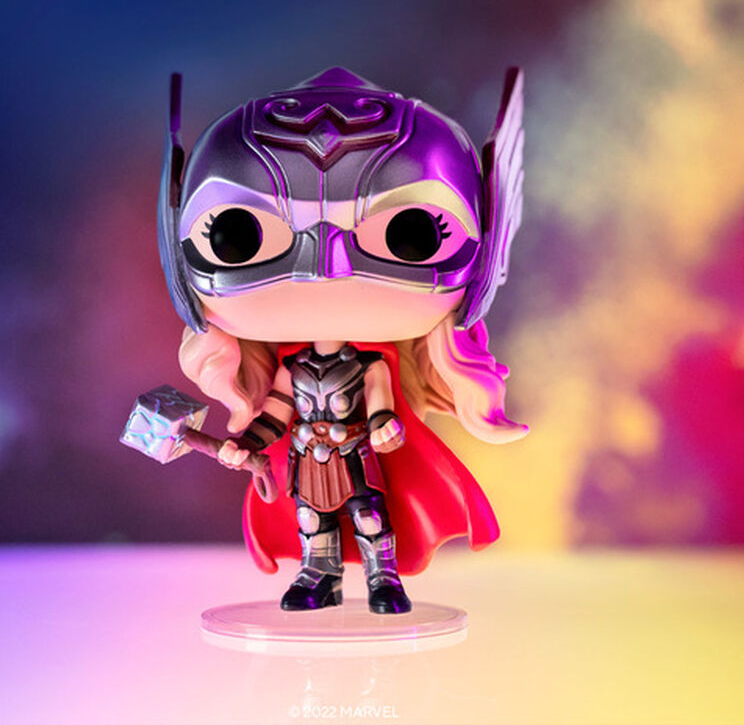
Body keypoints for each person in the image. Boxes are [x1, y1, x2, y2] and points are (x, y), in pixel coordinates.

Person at [159, 66, 528, 614]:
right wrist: (250, 443)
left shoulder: (370, 367)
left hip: (355, 453)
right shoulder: (292, 370)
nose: (326, 267)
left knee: (370, 517)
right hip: (308, 456)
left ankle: (384, 579)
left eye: (413, 232)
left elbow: (381, 408)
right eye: (236, 234)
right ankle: (318, 578)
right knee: (312, 520)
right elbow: (277, 411)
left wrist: (384, 427)